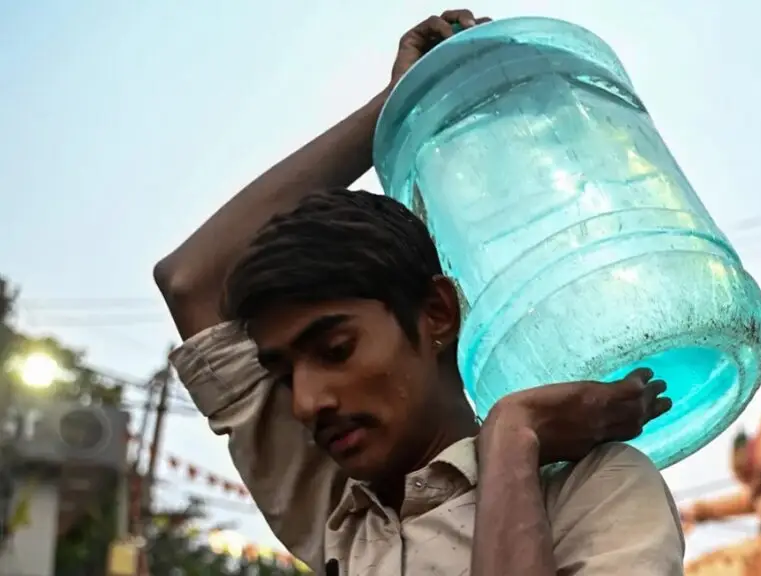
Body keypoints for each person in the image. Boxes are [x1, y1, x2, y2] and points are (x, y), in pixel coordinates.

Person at [154, 10, 686, 576]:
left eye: (336, 350)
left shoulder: (595, 491)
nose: (307, 403)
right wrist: (397, 106)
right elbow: (193, 282)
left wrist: (512, 433)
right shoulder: (347, 518)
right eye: (283, 374)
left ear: (436, 313)